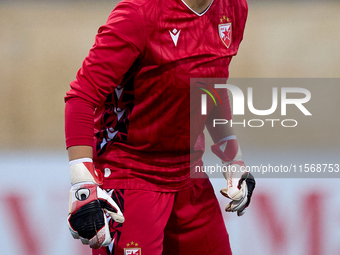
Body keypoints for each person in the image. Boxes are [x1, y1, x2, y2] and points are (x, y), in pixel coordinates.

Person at [65, 0, 255, 254]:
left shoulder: (233, 8)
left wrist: (233, 159)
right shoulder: (139, 13)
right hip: (131, 176)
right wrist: (82, 183)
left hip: (188, 175)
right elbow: (82, 96)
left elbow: (211, 86)